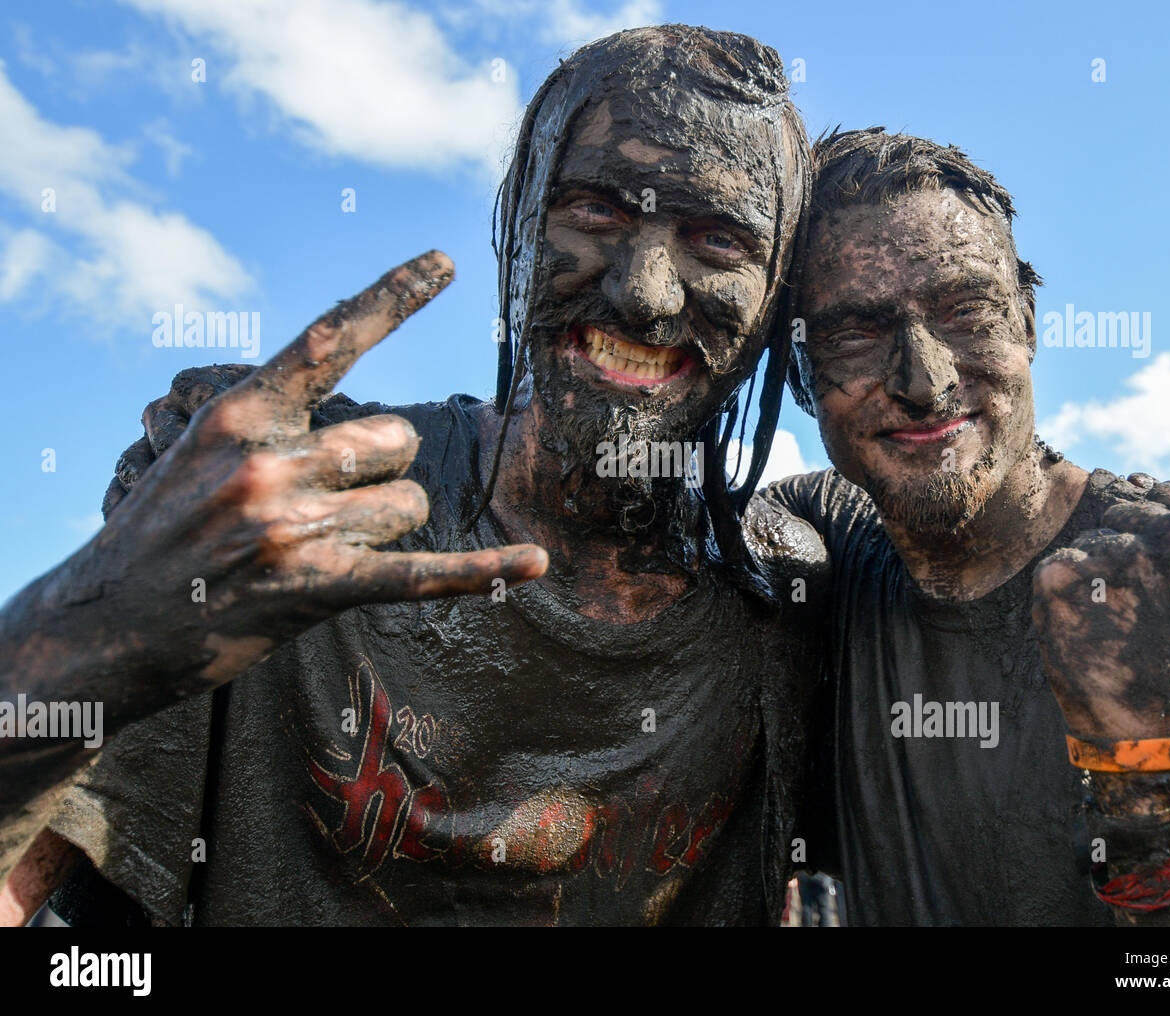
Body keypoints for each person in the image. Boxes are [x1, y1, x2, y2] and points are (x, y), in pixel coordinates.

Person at [0, 25, 827, 926]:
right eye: (595, 212)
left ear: (780, 289)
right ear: (516, 230)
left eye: (719, 240)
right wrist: (88, 628)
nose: (646, 292)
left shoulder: (796, 596)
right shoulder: (288, 503)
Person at [767, 128, 1170, 925]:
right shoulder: (831, 543)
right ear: (804, 383)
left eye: (965, 312)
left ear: (1027, 324)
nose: (925, 380)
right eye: (855, 333)